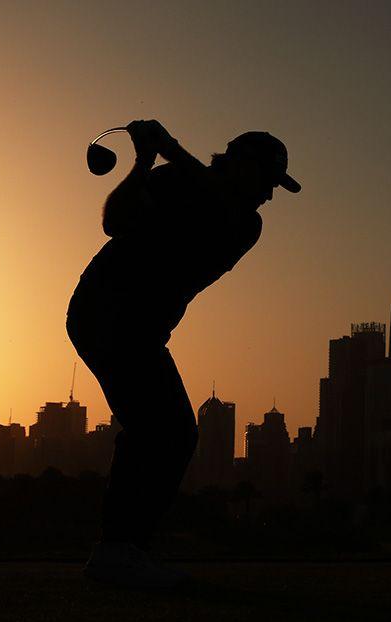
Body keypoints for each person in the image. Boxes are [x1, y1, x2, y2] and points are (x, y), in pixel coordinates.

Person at [66, 120, 300, 587]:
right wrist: (144, 161)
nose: (270, 196)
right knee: (167, 432)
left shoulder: (245, 223)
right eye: (267, 182)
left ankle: (118, 550)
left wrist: (171, 150)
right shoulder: (176, 179)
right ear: (240, 166)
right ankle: (119, 551)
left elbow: (222, 204)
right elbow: (115, 221)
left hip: (136, 327)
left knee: (160, 432)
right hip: (106, 312)